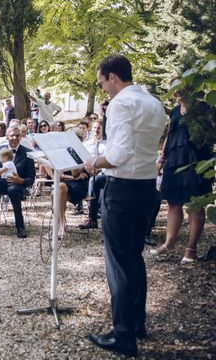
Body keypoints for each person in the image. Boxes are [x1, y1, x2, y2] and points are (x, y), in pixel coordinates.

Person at [84, 54, 166, 357]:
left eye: (102, 83)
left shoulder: (121, 103)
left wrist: (94, 162)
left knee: (118, 263)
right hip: (146, 188)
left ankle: (123, 336)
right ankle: (136, 323)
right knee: (133, 258)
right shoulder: (153, 102)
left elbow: (118, 154)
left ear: (113, 77)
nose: (103, 89)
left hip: (122, 190)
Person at [150, 82, 213, 264]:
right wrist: (161, 158)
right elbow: (171, 133)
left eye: (179, 87)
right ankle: (169, 243)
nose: (176, 92)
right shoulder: (175, 111)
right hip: (175, 161)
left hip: (196, 160)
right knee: (173, 203)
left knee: (195, 204)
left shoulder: (203, 107)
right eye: (173, 89)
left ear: (189, 88)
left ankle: (191, 249)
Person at [0, 126, 35, 238]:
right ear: (7, 137)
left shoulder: (27, 153)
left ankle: (20, 227)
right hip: (0, 183)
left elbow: (31, 178)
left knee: (13, 190)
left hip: (16, 184)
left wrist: (21, 180)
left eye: (17, 135)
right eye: (12, 135)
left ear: (21, 137)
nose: (14, 138)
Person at [79, 119, 106, 230]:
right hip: (87, 172)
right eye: (94, 128)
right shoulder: (86, 144)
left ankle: (92, 218)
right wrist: (88, 169)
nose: (96, 130)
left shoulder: (107, 143)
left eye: (98, 128)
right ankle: (91, 216)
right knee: (91, 179)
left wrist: (97, 170)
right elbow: (83, 160)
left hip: (103, 172)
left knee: (94, 181)